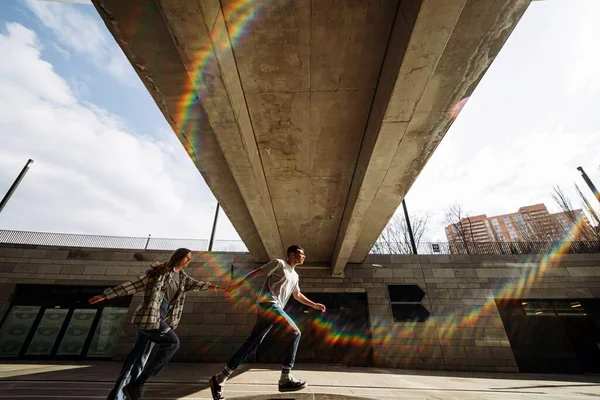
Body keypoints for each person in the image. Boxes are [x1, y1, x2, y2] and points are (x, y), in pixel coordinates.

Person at [88, 248, 225, 400]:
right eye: (187, 257)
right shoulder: (160, 271)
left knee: (137, 360)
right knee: (173, 343)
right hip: (150, 316)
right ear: (179, 257)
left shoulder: (183, 278)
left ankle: (118, 396)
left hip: (157, 319)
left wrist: (220, 288)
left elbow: (201, 285)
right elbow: (135, 284)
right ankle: (138, 384)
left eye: (189, 258)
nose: (189, 260)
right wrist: (106, 295)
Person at [209, 245, 326, 400]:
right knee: (294, 332)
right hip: (269, 304)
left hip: (270, 309)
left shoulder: (295, 275)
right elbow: (256, 273)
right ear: (291, 254)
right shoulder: (279, 263)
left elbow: (297, 294)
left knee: (252, 344)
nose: (304, 256)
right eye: (301, 253)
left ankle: (219, 379)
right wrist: (236, 286)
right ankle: (285, 377)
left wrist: (314, 305)